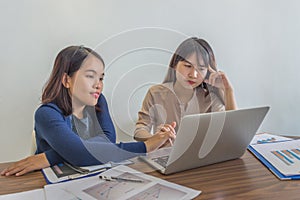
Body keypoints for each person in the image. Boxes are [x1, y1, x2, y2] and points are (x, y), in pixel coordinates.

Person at [1, 45, 175, 176]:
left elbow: (107, 141)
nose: (98, 84)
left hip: (92, 176)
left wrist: (50, 157)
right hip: (52, 182)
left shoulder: (99, 102)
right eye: (90, 76)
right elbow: (80, 154)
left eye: (101, 78)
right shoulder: (46, 114)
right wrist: (147, 145)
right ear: (66, 80)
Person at [134, 37, 237, 141]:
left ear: (208, 72)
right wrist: (156, 139)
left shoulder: (210, 99)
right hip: (165, 154)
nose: (193, 75)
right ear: (175, 65)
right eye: (188, 66)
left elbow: (232, 132)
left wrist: (228, 90)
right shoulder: (156, 93)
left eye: (201, 69)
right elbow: (139, 131)